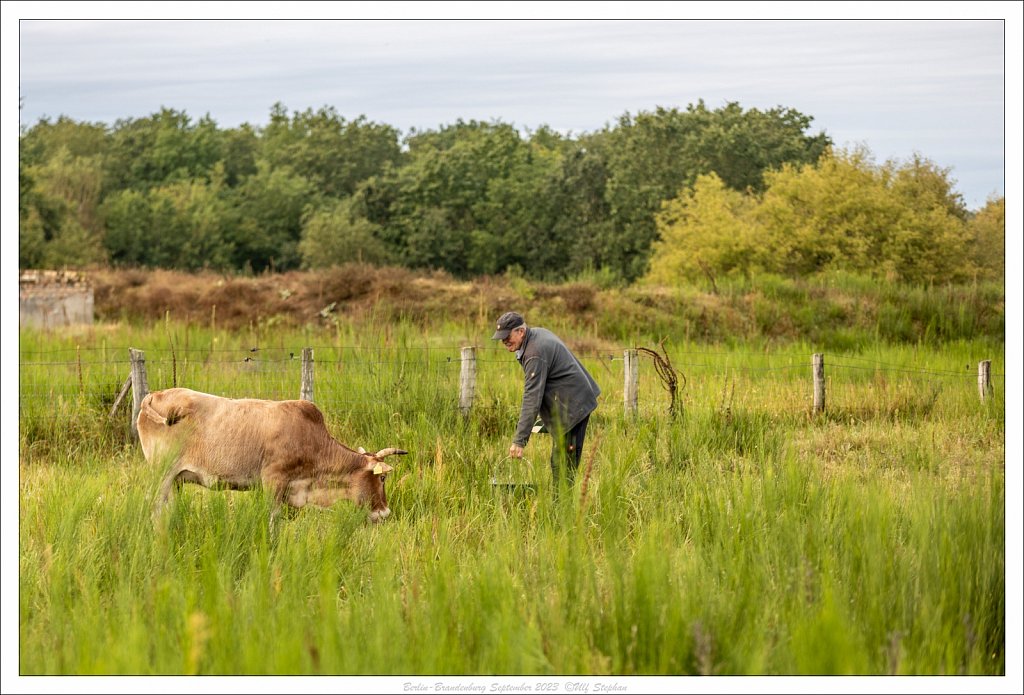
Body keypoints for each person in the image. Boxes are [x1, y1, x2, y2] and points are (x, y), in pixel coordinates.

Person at [491, 311, 601, 489]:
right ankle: (562, 505)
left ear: (521, 331)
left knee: (563, 464)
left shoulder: (534, 352)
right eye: (501, 337)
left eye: (507, 336)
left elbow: (532, 396)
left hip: (574, 406)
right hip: (570, 399)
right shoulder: (536, 335)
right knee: (561, 462)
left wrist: (519, 441)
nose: (504, 341)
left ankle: (563, 510)